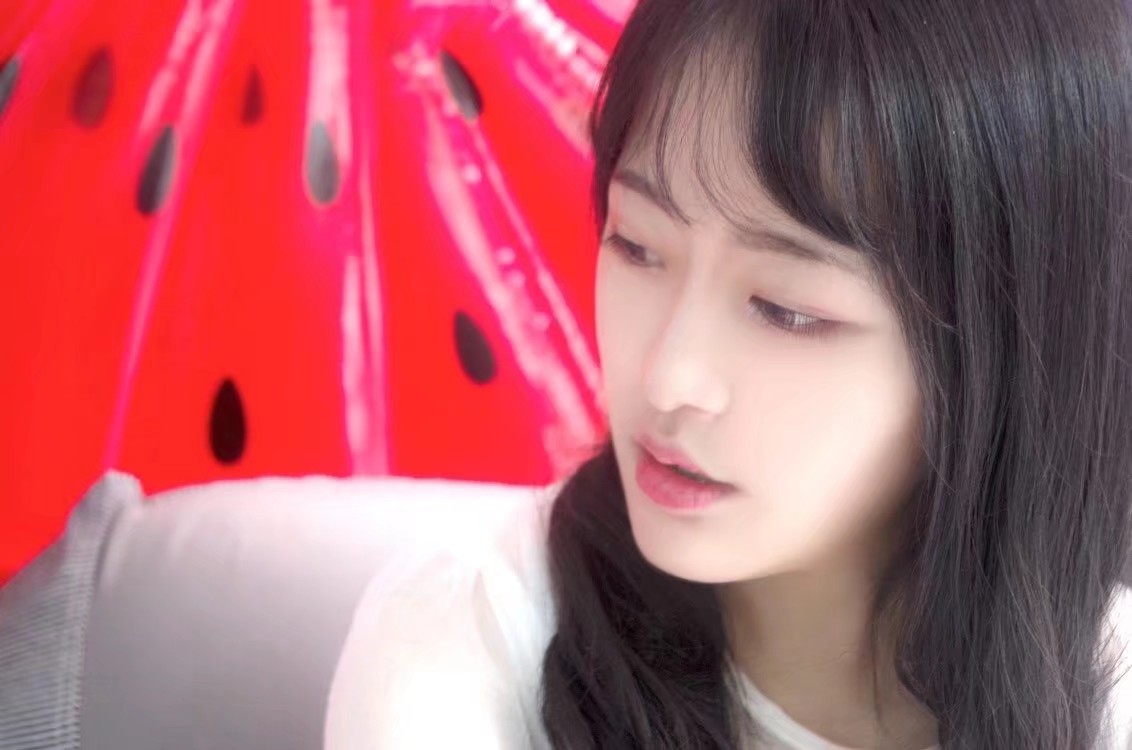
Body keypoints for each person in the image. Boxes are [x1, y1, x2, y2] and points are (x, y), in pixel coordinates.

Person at [324, 0, 1132, 747]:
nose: (667, 377)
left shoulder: (1110, 693)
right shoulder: (469, 644)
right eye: (637, 245)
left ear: (1017, 349)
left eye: (785, 310)